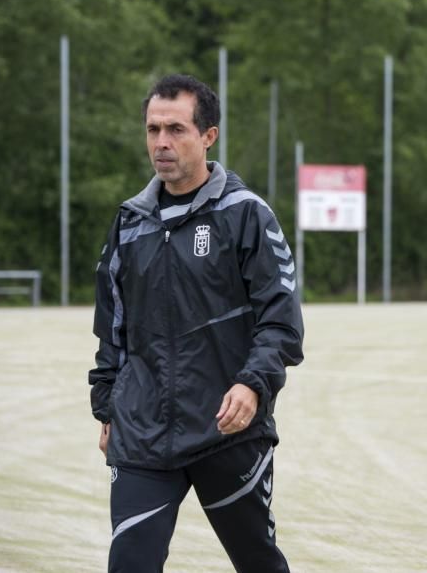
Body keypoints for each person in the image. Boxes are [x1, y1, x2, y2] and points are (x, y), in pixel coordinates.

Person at [88, 73, 304, 572]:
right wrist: (108, 406)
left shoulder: (245, 215)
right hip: (142, 435)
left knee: (258, 562)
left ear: (209, 136)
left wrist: (253, 385)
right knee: (130, 565)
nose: (162, 142)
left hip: (227, 430)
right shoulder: (129, 224)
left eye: (177, 129)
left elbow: (281, 321)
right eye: (153, 129)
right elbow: (111, 329)